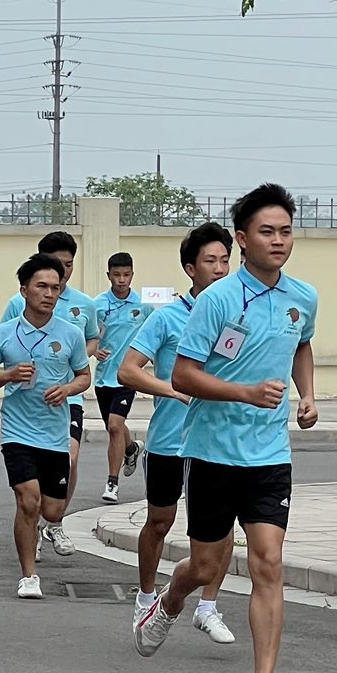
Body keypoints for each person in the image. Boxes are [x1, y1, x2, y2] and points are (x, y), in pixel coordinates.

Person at [132, 183, 318, 673]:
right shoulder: (217, 300)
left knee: (268, 562)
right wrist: (245, 393)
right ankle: (170, 601)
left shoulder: (303, 297)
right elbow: (184, 375)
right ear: (242, 238)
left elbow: (302, 345)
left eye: (286, 231)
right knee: (205, 564)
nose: (278, 240)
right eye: (267, 231)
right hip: (213, 451)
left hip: (269, 454)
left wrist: (307, 395)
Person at [117, 221, 237, 645]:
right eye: (210, 261)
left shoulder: (236, 318)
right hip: (170, 441)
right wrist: (173, 389)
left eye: (225, 260)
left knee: (222, 531)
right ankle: (146, 596)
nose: (220, 269)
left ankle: (208, 607)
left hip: (217, 442)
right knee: (159, 522)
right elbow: (128, 370)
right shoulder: (167, 317)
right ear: (190, 268)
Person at [0, 253, 92, 599]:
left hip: (54, 434)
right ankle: (29, 575)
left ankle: (43, 528)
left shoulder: (70, 334)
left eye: (55, 288)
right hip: (17, 431)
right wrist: (8, 375)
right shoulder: (4, 333)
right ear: (24, 290)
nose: (50, 293)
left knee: (52, 509)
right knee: (28, 500)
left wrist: (67, 390)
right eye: (42, 286)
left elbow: (84, 376)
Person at [1, 228, 98, 553]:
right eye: (56, 264)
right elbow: (6, 342)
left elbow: (92, 339)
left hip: (68, 397)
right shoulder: (18, 302)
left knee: (71, 456)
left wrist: (73, 359)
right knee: (29, 491)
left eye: (68, 265)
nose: (62, 272)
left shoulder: (83, 304)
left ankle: (54, 523)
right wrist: (13, 373)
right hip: (27, 401)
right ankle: (32, 524)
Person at [93, 250, 150, 503]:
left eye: (126, 275)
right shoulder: (97, 305)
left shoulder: (144, 306)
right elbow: (89, 337)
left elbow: (154, 337)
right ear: (109, 275)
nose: (121, 280)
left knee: (115, 425)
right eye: (116, 275)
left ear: (132, 275)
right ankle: (131, 448)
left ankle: (112, 483)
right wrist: (95, 349)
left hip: (127, 377)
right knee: (113, 427)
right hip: (103, 378)